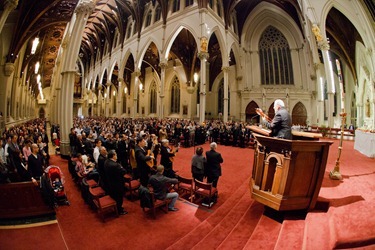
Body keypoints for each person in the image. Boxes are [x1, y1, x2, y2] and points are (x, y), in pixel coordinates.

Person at [104, 150, 127, 215]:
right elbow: (124, 171)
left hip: (111, 182)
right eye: (116, 155)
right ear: (113, 156)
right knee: (119, 197)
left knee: (115, 196)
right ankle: (120, 210)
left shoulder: (106, 161)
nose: (116, 156)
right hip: (118, 183)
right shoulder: (116, 165)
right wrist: (121, 166)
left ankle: (118, 208)